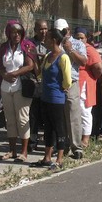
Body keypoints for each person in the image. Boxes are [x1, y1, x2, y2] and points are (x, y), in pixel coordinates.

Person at [0, 20, 36, 163]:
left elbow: (30, 65)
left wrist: (16, 73)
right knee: (9, 120)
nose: (16, 35)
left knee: (22, 118)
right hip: (6, 87)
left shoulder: (27, 46)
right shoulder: (4, 47)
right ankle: (12, 150)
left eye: (18, 32)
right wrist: (4, 75)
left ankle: (24, 151)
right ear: (9, 33)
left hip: (21, 87)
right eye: (13, 32)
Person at [31, 29, 71, 170]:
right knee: (48, 128)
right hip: (46, 97)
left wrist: (61, 88)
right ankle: (47, 157)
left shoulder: (63, 57)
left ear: (54, 40)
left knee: (58, 128)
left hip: (57, 99)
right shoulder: (48, 55)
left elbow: (67, 80)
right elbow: (41, 74)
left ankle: (59, 159)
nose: (45, 40)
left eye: (47, 38)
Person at [54, 19, 88, 159]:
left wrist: (70, 49)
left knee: (73, 115)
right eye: (58, 32)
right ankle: (62, 146)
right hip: (56, 82)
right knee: (59, 116)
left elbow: (83, 61)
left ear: (68, 30)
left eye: (63, 31)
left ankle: (76, 147)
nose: (61, 34)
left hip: (71, 82)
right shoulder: (54, 42)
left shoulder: (77, 43)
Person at [74, 27, 102, 148]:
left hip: (85, 84)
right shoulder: (71, 49)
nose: (79, 40)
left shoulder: (89, 50)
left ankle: (85, 139)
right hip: (73, 83)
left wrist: (91, 78)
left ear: (86, 38)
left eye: (82, 38)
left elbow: (99, 68)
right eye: (77, 38)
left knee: (84, 111)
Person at [28, 19, 49, 150]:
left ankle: (48, 143)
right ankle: (32, 141)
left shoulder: (51, 42)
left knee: (47, 114)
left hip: (48, 82)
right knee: (33, 114)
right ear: (35, 30)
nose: (43, 31)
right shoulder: (30, 43)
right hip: (35, 82)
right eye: (41, 29)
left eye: (45, 28)